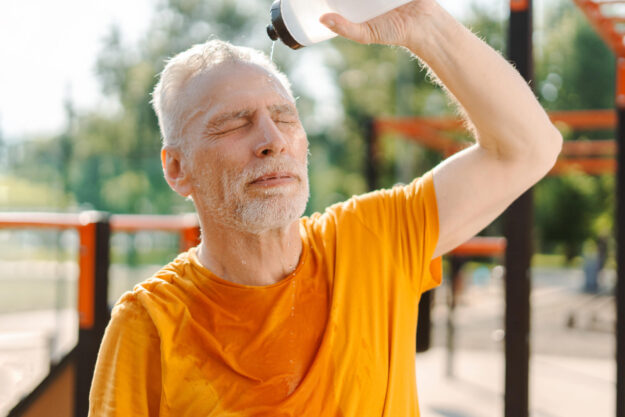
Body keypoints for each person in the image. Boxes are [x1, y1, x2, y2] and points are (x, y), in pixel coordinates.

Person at [89, 0, 563, 415]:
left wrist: (424, 22)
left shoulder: (372, 239)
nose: (271, 140)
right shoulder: (149, 325)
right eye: (235, 123)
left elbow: (528, 148)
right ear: (176, 169)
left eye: (283, 116)